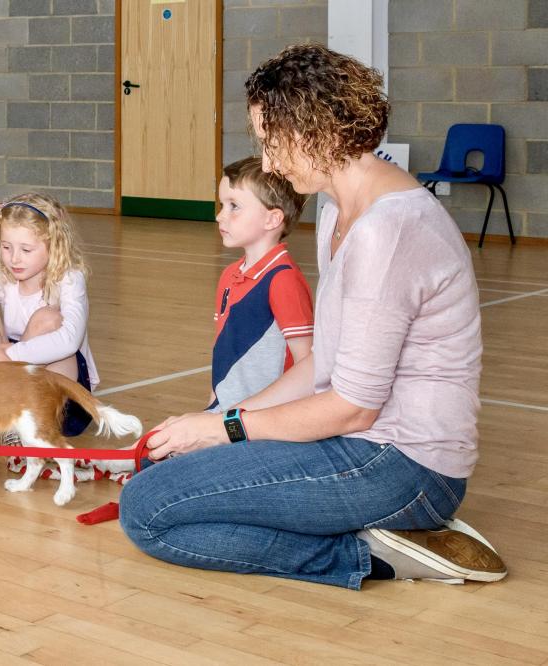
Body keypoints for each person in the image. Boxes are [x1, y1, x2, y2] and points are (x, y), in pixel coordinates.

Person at [119, 43, 507, 588]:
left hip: (405, 468)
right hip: (362, 448)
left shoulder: (384, 232)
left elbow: (352, 411)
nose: (270, 162)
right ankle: (367, 531)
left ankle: (371, 555)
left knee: (146, 510)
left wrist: (226, 430)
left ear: (314, 128)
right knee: (164, 471)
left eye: (272, 142)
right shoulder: (337, 210)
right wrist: (219, 421)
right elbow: (325, 358)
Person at [0, 192, 97, 440]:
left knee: (48, 318)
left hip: (62, 396)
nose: (14, 258)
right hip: (10, 378)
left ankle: (21, 421)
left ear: (54, 245)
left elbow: (70, 341)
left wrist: (6, 360)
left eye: (26, 249)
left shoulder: (70, 278)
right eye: (6, 247)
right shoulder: (1, 275)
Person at [207, 155, 313, 412]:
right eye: (222, 205)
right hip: (224, 412)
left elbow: (307, 365)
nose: (221, 216)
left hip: (263, 421)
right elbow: (222, 350)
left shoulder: (283, 280)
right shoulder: (229, 275)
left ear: (272, 219)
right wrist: (211, 405)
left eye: (234, 206)